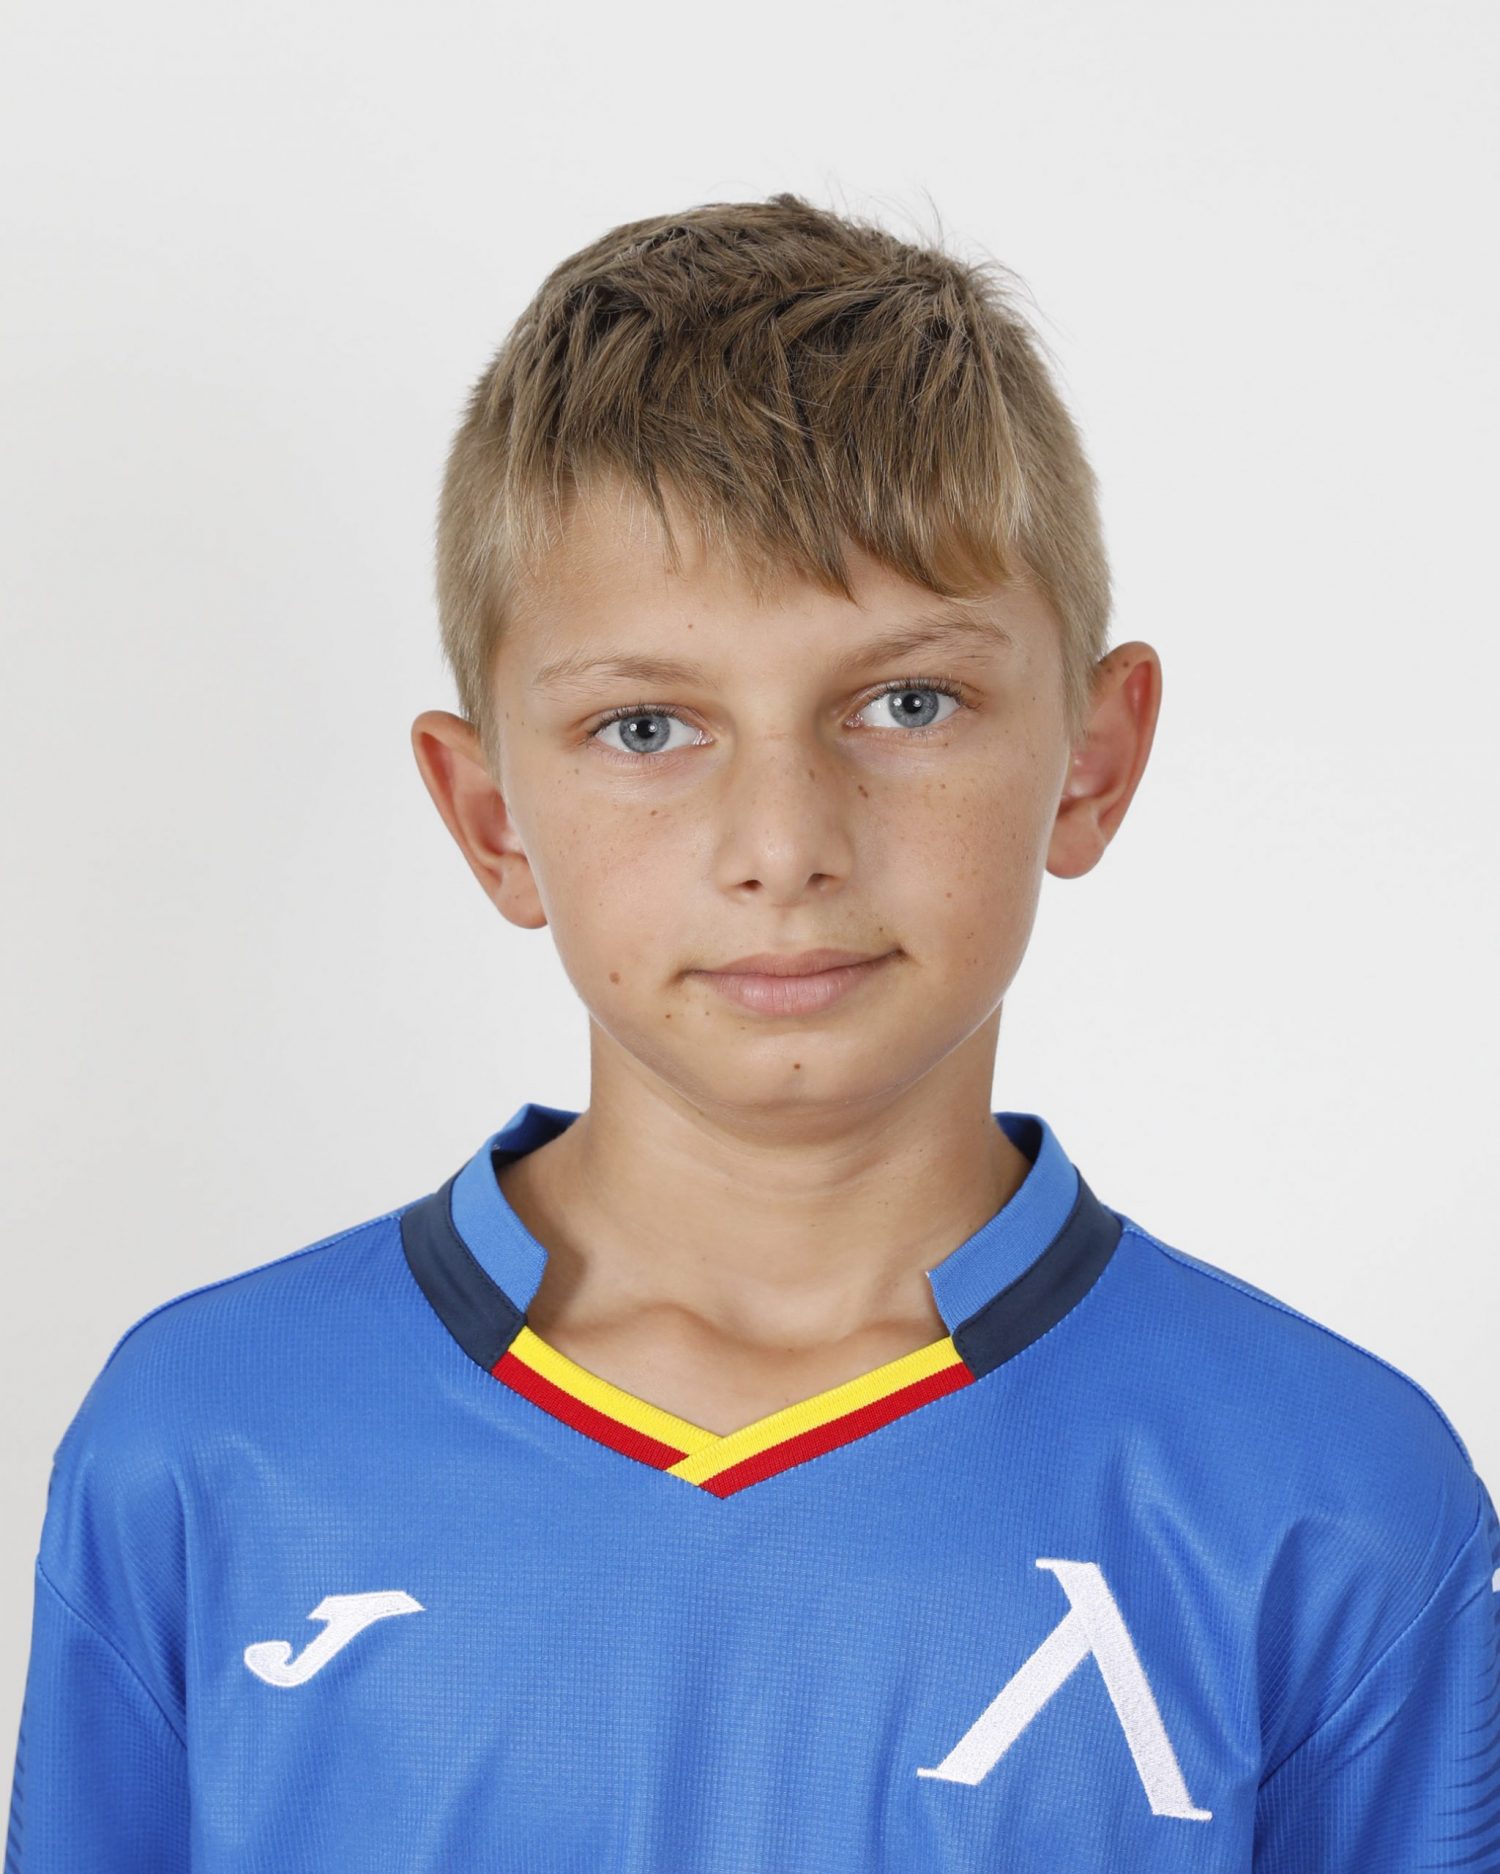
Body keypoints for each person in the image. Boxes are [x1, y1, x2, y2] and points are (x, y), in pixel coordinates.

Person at [7, 192, 1496, 1873]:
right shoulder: (207, 1441)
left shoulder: (1331, 1501)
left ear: (1092, 758)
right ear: (491, 817)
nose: (782, 842)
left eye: (907, 702)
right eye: (648, 725)